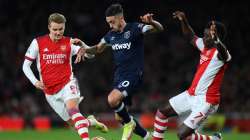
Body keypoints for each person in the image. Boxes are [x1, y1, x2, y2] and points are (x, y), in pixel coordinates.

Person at [75, 3, 164, 140]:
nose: (110, 25)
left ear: (120, 17)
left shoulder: (135, 28)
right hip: (119, 77)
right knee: (119, 116)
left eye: (112, 21)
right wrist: (84, 49)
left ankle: (129, 124)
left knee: (112, 99)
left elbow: (159, 29)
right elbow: (98, 48)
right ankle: (148, 137)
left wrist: (152, 22)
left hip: (133, 74)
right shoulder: (111, 35)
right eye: (108, 22)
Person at [22, 13, 108, 140]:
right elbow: (25, 66)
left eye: (61, 29)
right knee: (74, 124)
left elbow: (91, 55)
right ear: (49, 28)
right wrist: (35, 81)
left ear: (64, 27)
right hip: (50, 91)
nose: (58, 32)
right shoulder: (38, 43)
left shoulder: (69, 42)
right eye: (55, 29)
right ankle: (91, 122)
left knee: (73, 109)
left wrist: (82, 45)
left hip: (67, 83)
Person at [152, 11, 231, 140]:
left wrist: (216, 40)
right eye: (204, 35)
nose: (204, 39)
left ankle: (214, 139)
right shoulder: (204, 46)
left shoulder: (221, 53)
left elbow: (225, 55)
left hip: (206, 101)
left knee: (182, 135)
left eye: (208, 36)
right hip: (191, 94)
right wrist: (184, 20)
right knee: (162, 112)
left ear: (217, 38)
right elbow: (190, 36)